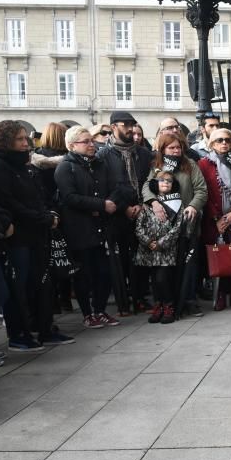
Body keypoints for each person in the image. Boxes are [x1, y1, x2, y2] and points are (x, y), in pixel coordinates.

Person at [0, 120, 74, 350]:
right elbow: (8, 203)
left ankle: (44, 329)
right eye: (19, 139)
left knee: (41, 284)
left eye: (26, 139)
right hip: (18, 238)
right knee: (19, 288)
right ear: (5, 141)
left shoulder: (25, 166)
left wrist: (50, 213)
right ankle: (19, 334)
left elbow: (38, 196)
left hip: (37, 234)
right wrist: (43, 218)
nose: (26, 143)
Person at [56, 126, 131, 328]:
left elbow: (115, 187)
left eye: (91, 140)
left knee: (105, 272)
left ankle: (100, 309)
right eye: (86, 141)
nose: (92, 145)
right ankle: (88, 313)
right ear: (72, 146)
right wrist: (99, 205)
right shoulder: (66, 167)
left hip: (102, 226)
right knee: (84, 274)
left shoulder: (99, 163)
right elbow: (69, 197)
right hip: (80, 229)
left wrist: (109, 203)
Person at [142, 132, 208, 317]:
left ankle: (189, 300)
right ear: (162, 149)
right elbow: (147, 187)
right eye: (171, 148)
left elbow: (201, 190)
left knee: (189, 264)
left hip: (186, 224)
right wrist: (154, 202)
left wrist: (194, 206)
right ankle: (167, 302)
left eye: (179, 147)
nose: (176, 151)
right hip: (163, 227)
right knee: (165, 267)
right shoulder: (157, 166)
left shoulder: (190, 165)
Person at [98, 110, 153, 313]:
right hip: (116, 215)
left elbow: (149, 182)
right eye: (125, 125)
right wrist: (124, 207)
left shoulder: (144, 153)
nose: (130, 129)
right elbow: (104, 187)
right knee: (120, 261)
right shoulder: (103, 154)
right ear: (114, 127)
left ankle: (139, 297)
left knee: (140, 258)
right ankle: (123, 302)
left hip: (141, 213)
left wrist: (141, 204)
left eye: (132, 125)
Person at [198, 128, 231, 311]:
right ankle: (220, 294)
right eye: (219, 140)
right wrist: (217, 218)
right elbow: (203, 192)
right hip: (215, 218)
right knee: (219, 255)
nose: (224, 143)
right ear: (212, 143)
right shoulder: (204, 164)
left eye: (227, 140)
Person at [135, 167, 184, 324]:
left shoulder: (177, 204)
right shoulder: (148, 204)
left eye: (169, 181)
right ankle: (158, 306)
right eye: (162, 180)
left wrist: (161, 243)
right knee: (154, 281)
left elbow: (177, 228)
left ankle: (169, 306)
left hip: (166, 250)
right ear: (156, 183)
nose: (166, 183)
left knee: (163, 278)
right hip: (148, 250)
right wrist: (148, 242)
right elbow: (138, 227)